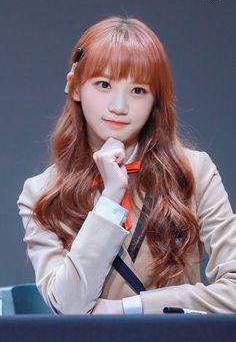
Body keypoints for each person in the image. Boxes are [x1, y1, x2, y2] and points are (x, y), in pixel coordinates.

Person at [17, 16, 236, 315]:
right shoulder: (42, 193)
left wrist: (129, 308)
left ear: (155, 100)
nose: (119, 106)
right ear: (76, 87)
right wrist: (110, 199)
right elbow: (67, 306)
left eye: (138, 91)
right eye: (104, 84)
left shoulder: (194, 172)